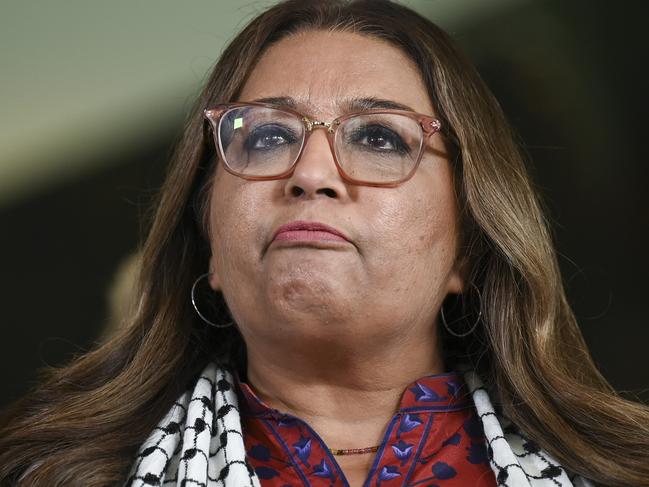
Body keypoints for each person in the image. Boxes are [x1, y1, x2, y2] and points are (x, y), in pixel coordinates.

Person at [1, 0, 648, 486]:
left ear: (468, 247)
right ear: (207, 241)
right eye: (265, 137)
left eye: (378, 137)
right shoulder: (45, 473)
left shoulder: (621, 472)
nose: (310, 173)